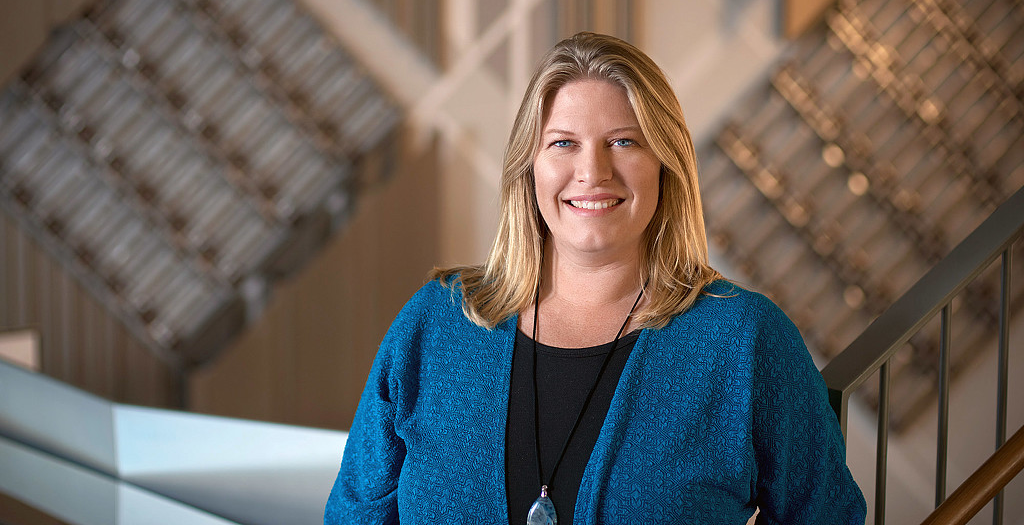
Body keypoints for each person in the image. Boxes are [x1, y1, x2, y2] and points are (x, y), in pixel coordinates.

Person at [324, 32, 866, 524]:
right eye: (563, 143)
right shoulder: (436, 324)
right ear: (528, 167)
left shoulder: (744, 341)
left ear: (665, 164)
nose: (593, 172)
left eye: (624, 142)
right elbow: (355, 515)